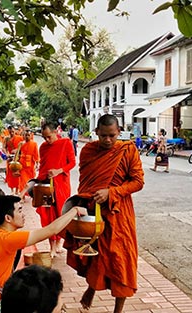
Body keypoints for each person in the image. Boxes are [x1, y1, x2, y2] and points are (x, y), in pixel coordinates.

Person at [65, 114, 144, 313]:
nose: (107, 140)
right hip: (93, 211)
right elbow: (85, 182)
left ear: (119, 132)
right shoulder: (88, 151)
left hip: (119, 212)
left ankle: (118, 309)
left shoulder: (128, 150)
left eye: (112, 136)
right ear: (96, 133)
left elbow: (138, 182)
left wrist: (112, 192)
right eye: (103, 136)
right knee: (95, 255)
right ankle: (92, 288)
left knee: (121, 258)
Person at [0, 195, 87, 313]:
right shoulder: (7, 239)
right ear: (8, 218)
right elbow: (51, 230)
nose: (23, 215)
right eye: (19, 211)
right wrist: (74, 210)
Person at [37, 123, 76, 257]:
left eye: (48, 137)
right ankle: (51, 245)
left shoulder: (66, 143)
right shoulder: (43, 147)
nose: (47, 140)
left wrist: (58, 171)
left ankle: (59, 242)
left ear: (55, 131)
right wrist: (39, 181)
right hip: (46, 184)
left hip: (61, 184)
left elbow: (72, 163)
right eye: (44, 138)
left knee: (60, 213)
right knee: (48, 215)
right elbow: (42, 165)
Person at [4, 126, 24, 194]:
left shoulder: (19, 138)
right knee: (10, 175)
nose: (12, 133)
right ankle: (12, 190)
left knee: (17, 174)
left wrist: (18, 149)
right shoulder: (7, 139)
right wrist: (7, 154)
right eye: (10, 132)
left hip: (18, 158)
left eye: (13, 131)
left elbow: (23, 146)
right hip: (10, 158)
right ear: (8, 131)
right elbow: (4, 148)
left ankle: (17, 190)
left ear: (14, 131)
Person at [18, 130, 39, 195]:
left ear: (31, 136)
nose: (27, 137)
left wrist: (37, 163)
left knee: (30, 180)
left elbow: (36, 154)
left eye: (28, 135)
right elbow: (18, 153)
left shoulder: (34, 144)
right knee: (23, 180)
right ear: (23, 136)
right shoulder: (21, 144)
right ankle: (23, 195)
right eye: (25, 135)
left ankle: (29, 193)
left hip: (30, 164)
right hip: (22, 164)